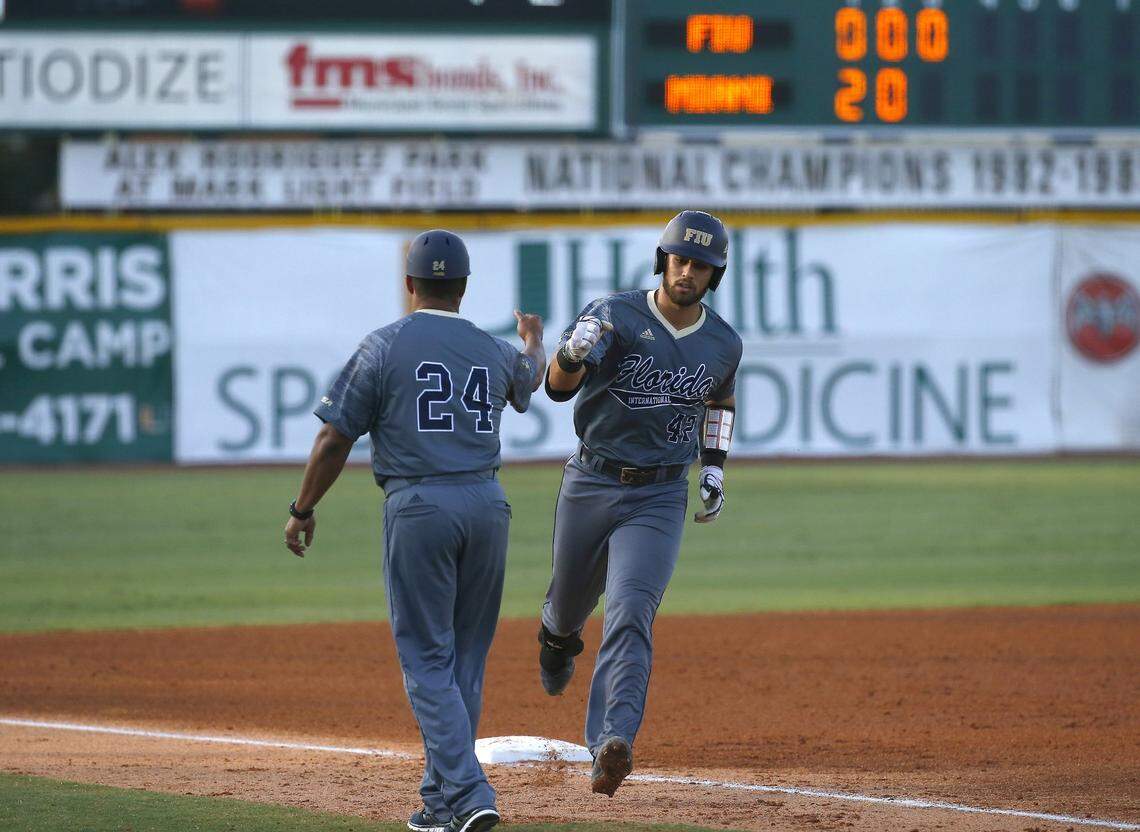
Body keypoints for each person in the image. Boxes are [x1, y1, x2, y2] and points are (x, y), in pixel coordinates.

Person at [283, 230, 545, 832]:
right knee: (465, 664)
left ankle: (472, 792)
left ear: (410, 285)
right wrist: (531, 339)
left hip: (420, 505)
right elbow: (529, 381)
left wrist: (302, 508)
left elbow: (333, 437)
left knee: (427, 660)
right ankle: (440, 803)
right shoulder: (492, 347)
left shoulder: (383, 346)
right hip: (488, 503)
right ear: (464, 287)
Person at [537, 210, 742, 797]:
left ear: (714, 274)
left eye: (700, 265)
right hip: (592, 479)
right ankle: (555, 642)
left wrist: (715, 468)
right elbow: (556, 387)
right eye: (679, 259)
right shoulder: (613, 316)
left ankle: (611, 741)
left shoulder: (723, 342)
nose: (687, 272)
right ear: (663, 260)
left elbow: (720, 403)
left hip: (658, 493)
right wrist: (572, 355)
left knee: (630, 611)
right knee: (569, 605)